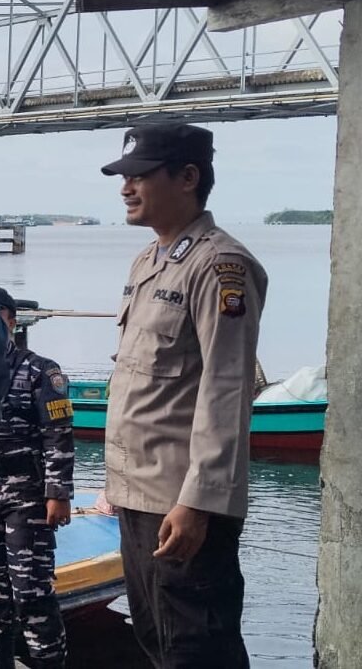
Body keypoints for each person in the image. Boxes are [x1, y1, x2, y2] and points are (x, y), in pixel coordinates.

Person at [99, 123, 267, 669]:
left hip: (180, 504)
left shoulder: (221, 267)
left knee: (196, 651)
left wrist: (197, 503)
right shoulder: (149, 261)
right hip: (136, 495)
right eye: (124, 177)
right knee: (157, 642)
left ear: (188, 177)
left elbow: (227, 388)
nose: (126, 187)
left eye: (140, 175)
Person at [0, 285, 74, 669]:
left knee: (31, 589)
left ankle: (49, 662)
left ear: (11, 322)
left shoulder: (42, 371)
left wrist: (58, 493)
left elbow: (58, 435)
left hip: (29, 494)